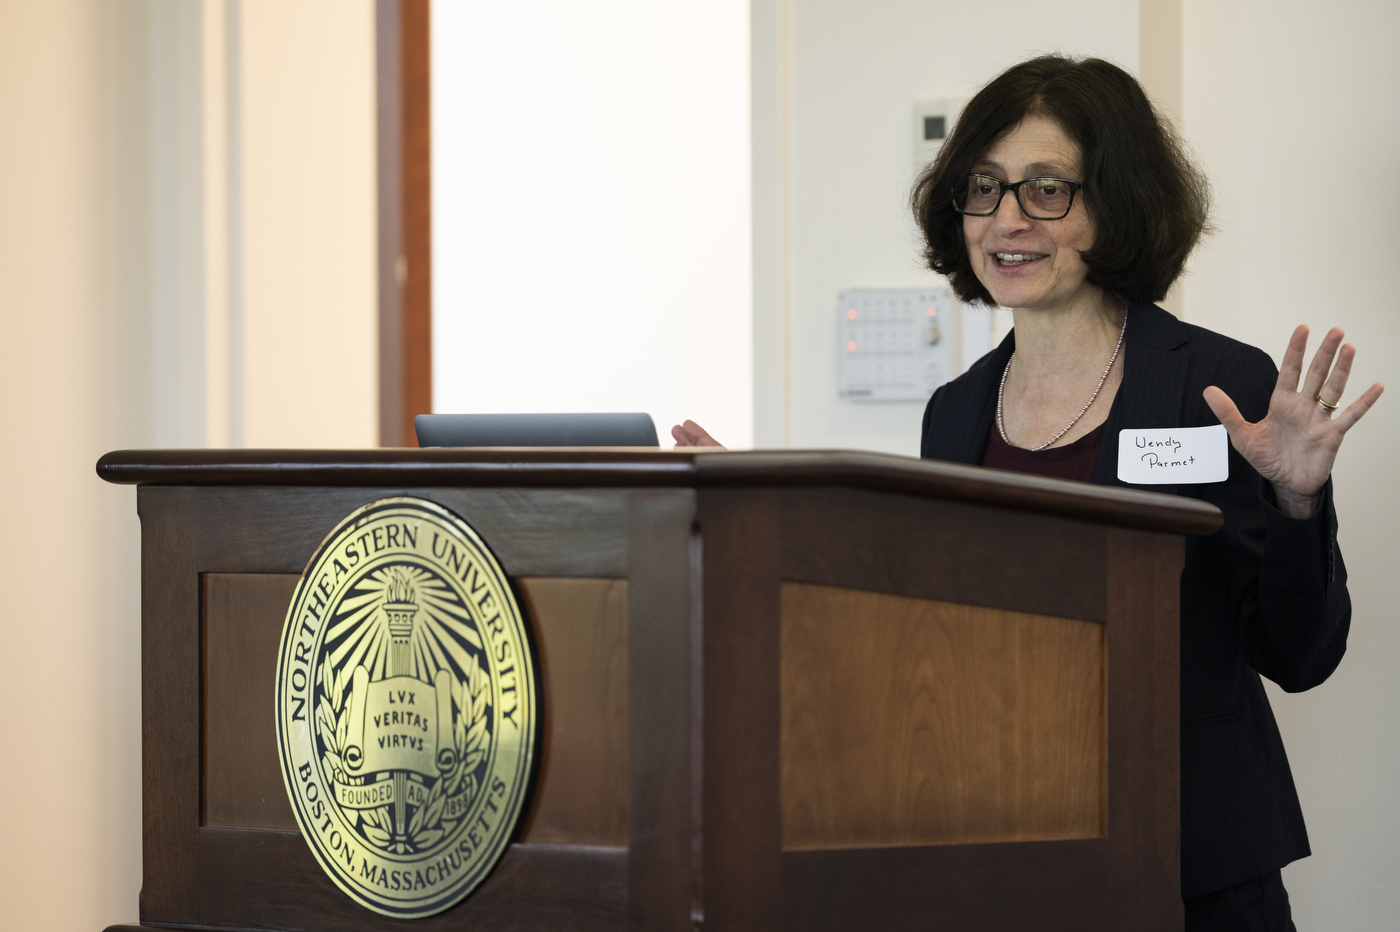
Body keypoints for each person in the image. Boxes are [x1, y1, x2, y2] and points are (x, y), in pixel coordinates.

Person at [674, 55, 1383, 931]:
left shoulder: (1219, 385)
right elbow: (931, 635)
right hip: (1002, 857)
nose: (1007, 219)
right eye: (986, 187)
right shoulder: (956, 412)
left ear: (1114, 205)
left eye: (1047, 190)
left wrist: (1299, 502)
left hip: (1190, 864)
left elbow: (1299, 655)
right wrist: (768, 518)